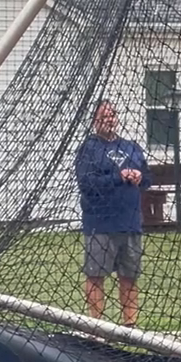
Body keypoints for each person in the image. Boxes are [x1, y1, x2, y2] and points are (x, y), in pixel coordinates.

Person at [74, 101, 152, 326]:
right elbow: (87, 183)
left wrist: (139, 177)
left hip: (130, 223)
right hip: (100, 224)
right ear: (94, 121)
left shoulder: (131, 147)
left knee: (129, 277)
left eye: (112, 115)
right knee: (96, 276)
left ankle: (130, 325)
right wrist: (119, 176)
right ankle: (96, 326)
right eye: (104, 116)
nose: (109, 119)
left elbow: (147, 177)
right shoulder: (89, 149)